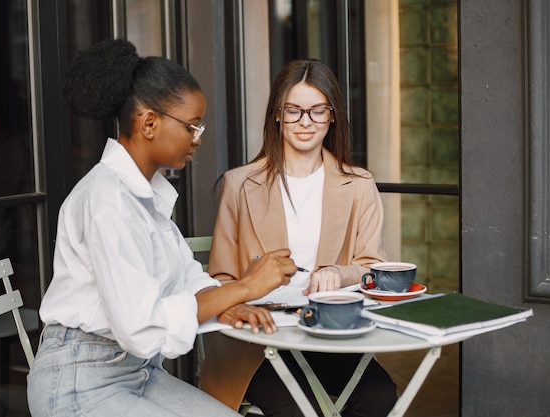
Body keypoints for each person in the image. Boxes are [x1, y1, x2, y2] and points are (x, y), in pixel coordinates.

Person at [26, 39, 298, 417]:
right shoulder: (108, 200)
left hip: (134, 372)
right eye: (192, 126)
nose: (198, 139)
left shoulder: (144, 195)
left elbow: (184, 275)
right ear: (149, 122)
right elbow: (140, 326)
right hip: (78, 381)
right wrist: (245, 287)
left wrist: (228, 303)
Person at [200, 59, 398, 417]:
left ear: (332, 116)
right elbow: (221, 280)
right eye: (294, 110)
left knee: (379, 395)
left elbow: (372, 267)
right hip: (257, 341)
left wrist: (339, 273)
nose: (305, 122)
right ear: (277, 115)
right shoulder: (240, 184)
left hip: (328, 336)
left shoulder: (359, 184)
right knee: (299, 408)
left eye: (317, 111)